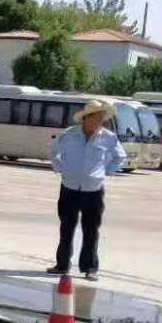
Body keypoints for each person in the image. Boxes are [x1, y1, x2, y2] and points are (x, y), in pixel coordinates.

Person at [48, 99, 127, 281]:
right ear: (86, 118)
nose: (100, 122)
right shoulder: (68, 135)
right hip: (69, 188)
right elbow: (54, 152)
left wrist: (105, 172)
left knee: (91, 230)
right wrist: (61, 169)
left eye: (102, 118)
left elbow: (120, 157)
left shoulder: (108, 137)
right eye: (97, 118)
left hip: (93, 191)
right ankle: (62, 265)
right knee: (66, 228)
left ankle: (90, 268)